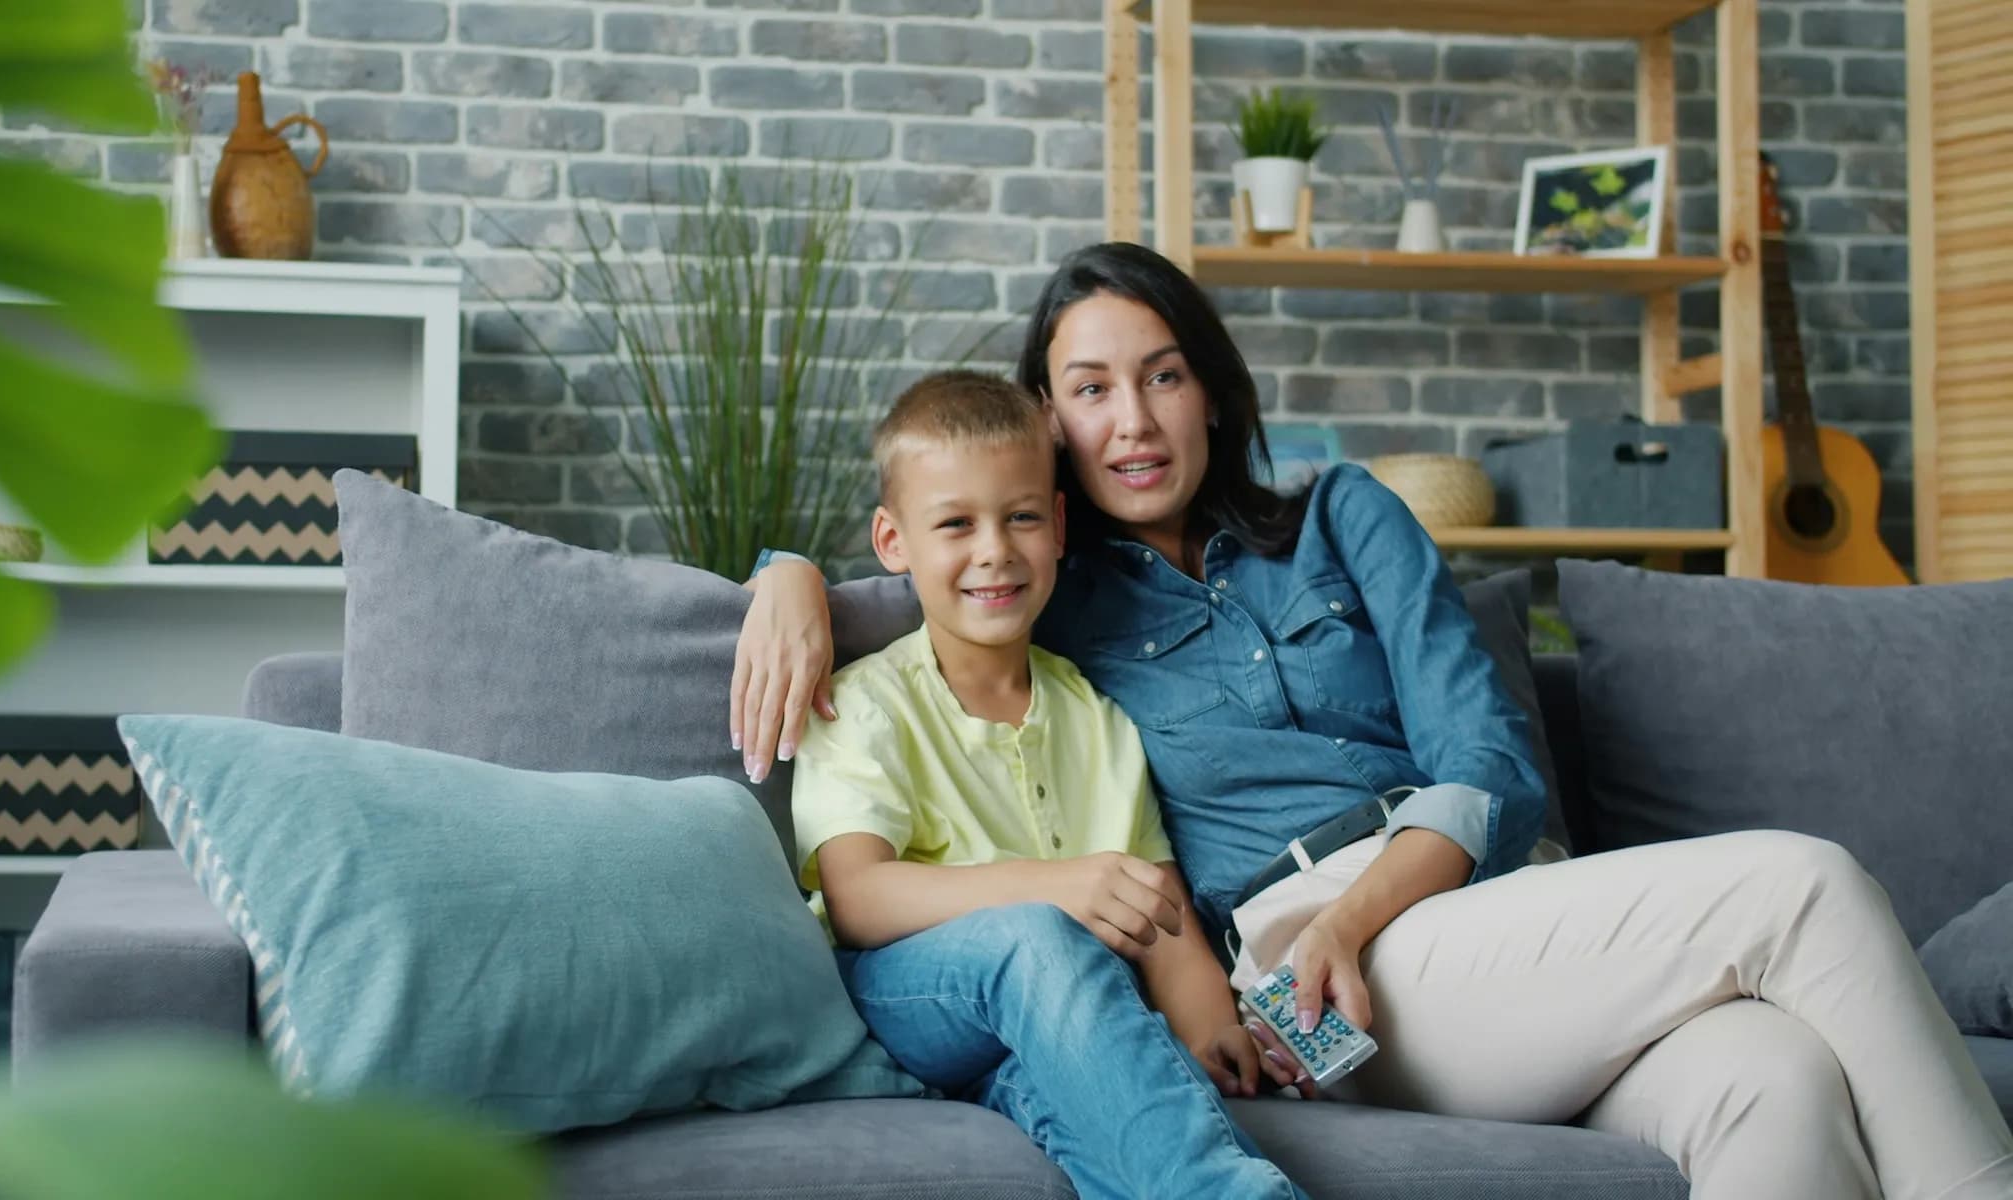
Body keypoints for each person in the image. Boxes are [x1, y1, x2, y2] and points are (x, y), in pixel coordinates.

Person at [737, 241, 2013, 1200]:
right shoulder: (1053, 592)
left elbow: (1491, 764)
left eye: (1164, 376)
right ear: (1051, 431)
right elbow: (925, 560)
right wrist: (783, 572)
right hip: (1324, 970)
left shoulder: (1345, 514)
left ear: (1215, 390)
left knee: (1770, 1083)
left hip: (1481, 910)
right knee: (1808, 887)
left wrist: (1362, 911)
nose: (1133, 420)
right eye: (1090, 390)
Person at [789, 369, 1303, 1200]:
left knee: (1108, 1134)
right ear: (894, 543)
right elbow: (857, 897)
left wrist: (1215, 1027)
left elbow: (1156, 912)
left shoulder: (1096, 715)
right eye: (955, 524)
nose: (994, 550)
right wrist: (1056, 889)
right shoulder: (865, 702)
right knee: (1040, 937)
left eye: (1021, 516)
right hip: (908, 1000)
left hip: (1054, 1028)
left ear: (1058, 525)